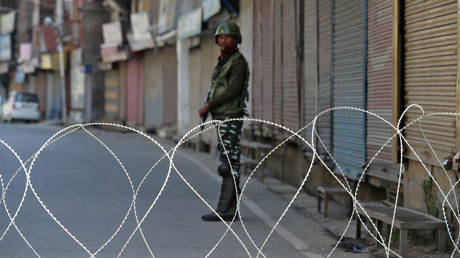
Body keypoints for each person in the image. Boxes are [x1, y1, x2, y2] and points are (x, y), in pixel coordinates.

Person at [199, 21, 250, 222]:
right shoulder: (223, 61)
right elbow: (217, 88)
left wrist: (209, 105)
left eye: (227, 37)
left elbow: (232, 91)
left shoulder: (238, 62)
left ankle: (226, 210)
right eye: (220, 37)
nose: (223, 40)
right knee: (227, 162)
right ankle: (228, 208)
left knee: (229, 164)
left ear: (236, 40)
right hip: (222, 116)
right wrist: (208, 104)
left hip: (230, 116)